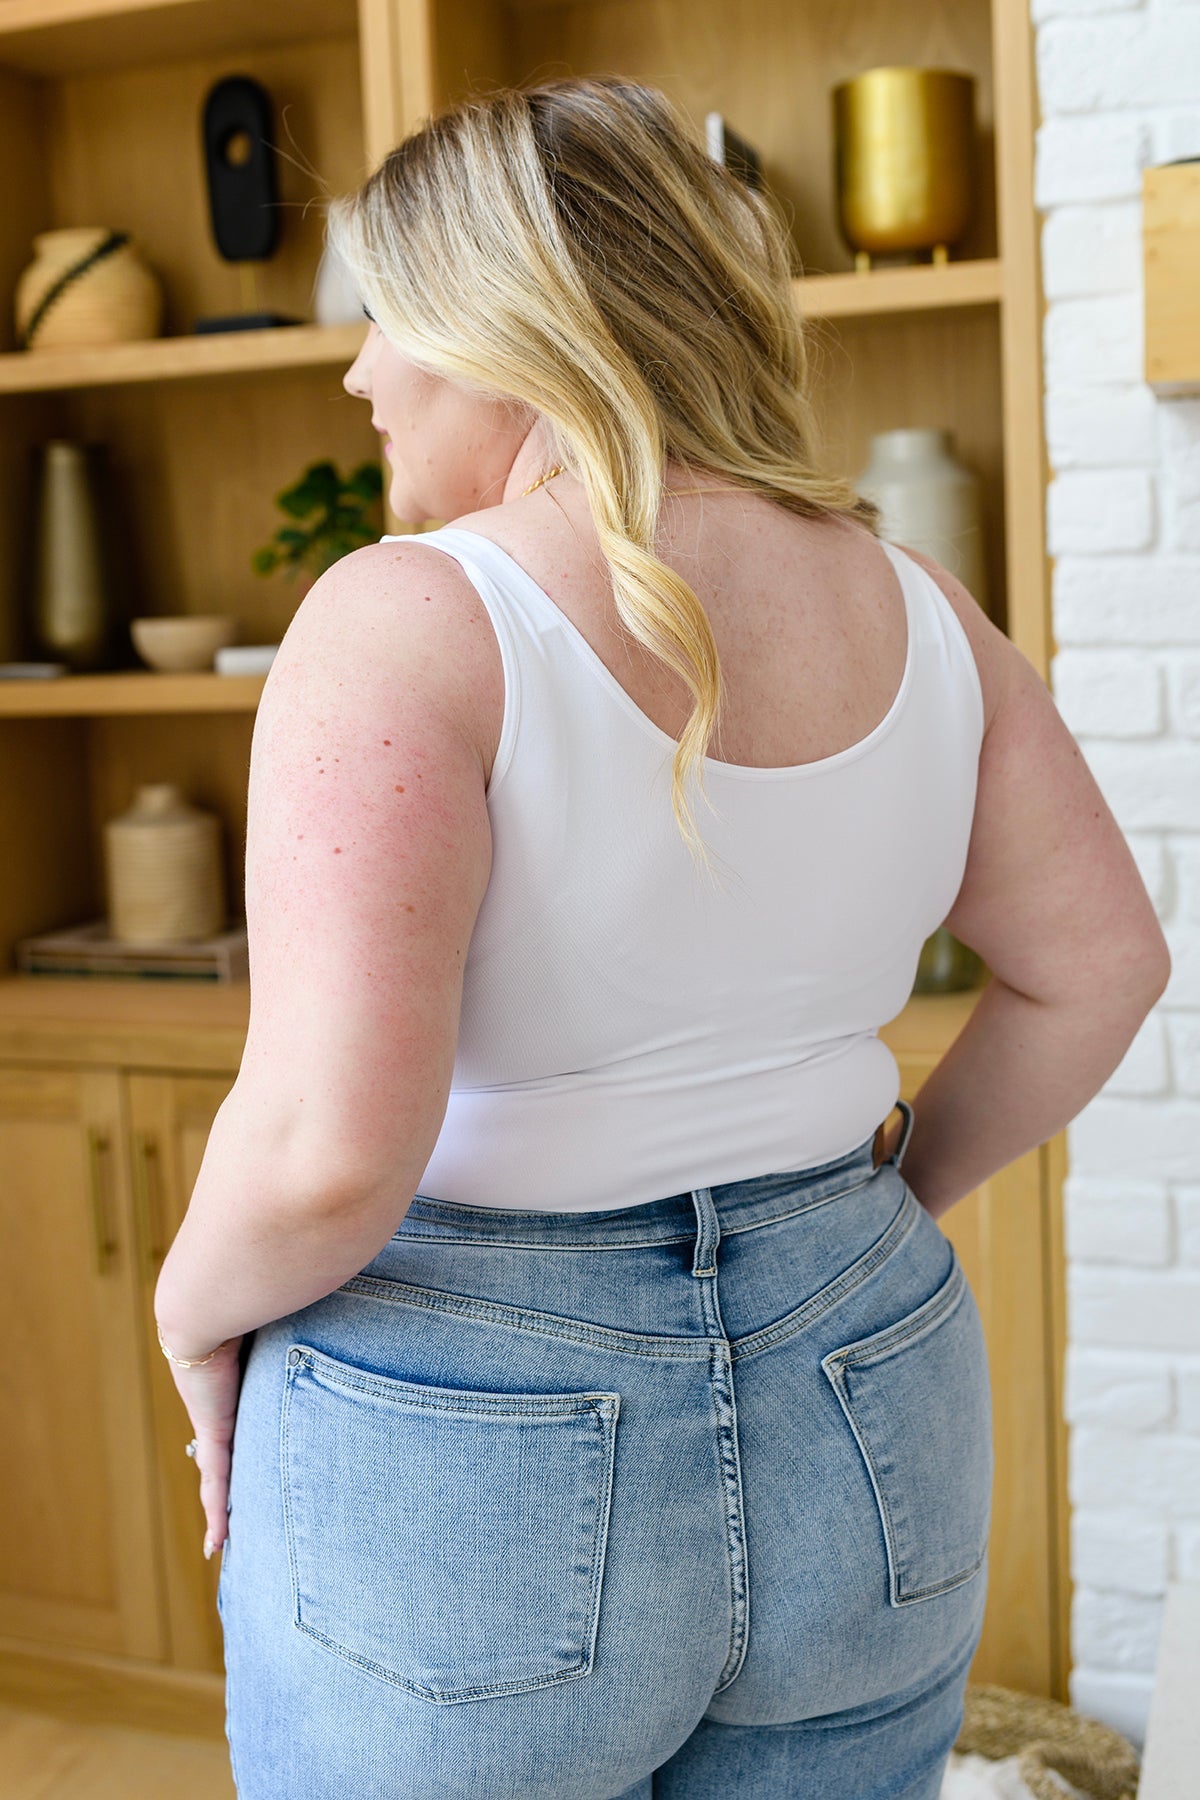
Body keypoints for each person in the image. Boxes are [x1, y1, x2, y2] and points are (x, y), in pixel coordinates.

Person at [152, 76, 1170, 1800]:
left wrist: (190, 1316)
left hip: (472, 1422)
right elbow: (1104, 964)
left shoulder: (406, 618)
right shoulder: (917, 601)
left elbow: (332, 1157)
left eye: (387, 315)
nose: (358, 371)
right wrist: (864, 1208)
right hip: (870, 1377)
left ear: (499, 323)